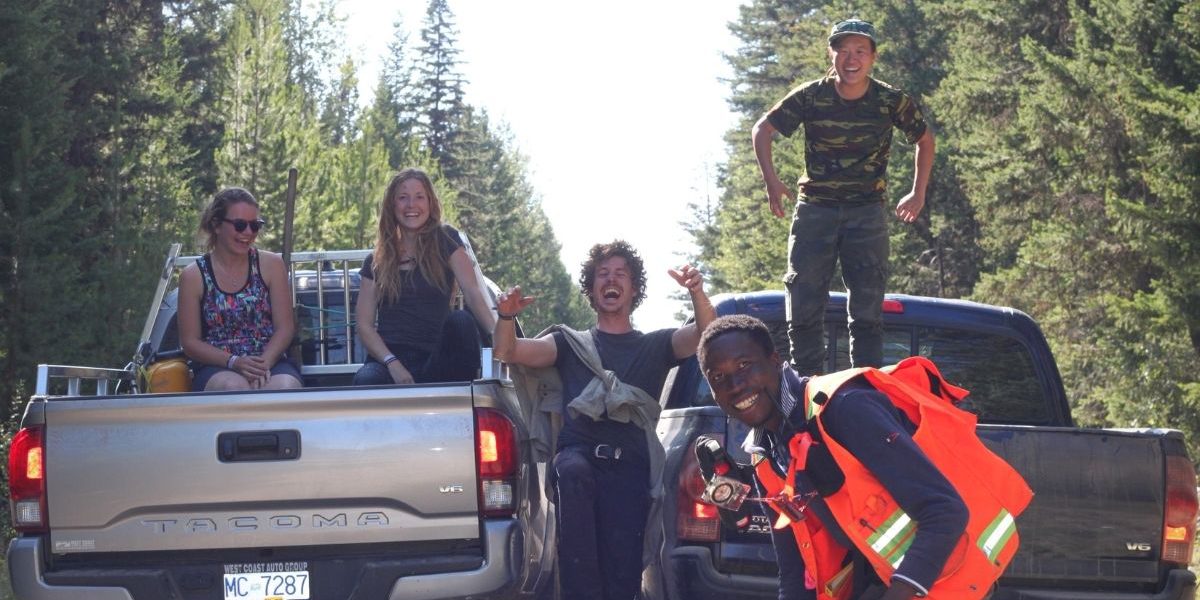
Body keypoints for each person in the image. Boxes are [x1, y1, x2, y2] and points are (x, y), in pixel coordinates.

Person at [696, 315, 1031, 600]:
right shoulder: (766, 457)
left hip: (946, 579)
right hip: (879, 581)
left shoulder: (844, 408)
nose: (735, 385)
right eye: (718, 378)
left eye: (744, 365)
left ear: (774, 359)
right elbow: (794, 569)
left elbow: (946, 512)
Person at [493, 240, 716, 600]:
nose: (611, 280)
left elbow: (707, 335)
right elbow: (509, 351)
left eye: (620, 274)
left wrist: (697, 293)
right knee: (574, 478)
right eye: (602, 274)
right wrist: (506, 317)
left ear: (634, 288)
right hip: (577, 460)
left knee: (622, 581)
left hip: (630, 472)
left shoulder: (655, 346)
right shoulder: (568, 344)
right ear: (592, 289)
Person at [752, 18, 935, 376]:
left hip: (866, 213)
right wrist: (771, 182)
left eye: (860, 52)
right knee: (804, 303)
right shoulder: (812, 95)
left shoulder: (889, 100)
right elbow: (763, 130)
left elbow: (925, 140)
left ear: (873, 57)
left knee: (867, 311)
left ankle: (864, 388)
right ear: (831, 54)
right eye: (843, 50)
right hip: (815, 209)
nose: (851, 59)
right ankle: (806, 385)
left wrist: (918, 191)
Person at [353, 168, 496, 385]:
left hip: (435, 359)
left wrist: (499, 336)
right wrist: (392, 363)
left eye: (419, 197)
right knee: (365, 380)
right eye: (403, 198)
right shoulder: (374, 261)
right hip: (388, 362)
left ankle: (463, 401)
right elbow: (364, 325)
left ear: (430, 203)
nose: (411, 205)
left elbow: (473, 294)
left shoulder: (447, 240)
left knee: (461, 320)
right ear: (392, 206)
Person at [179, 187, 303, 391]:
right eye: (239, 225)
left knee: (284, 387)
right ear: (216, 225)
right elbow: (190, 342)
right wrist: (233, 361)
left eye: (255, 226)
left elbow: (285, 328)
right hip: (217, 366)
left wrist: (261, 365)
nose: (248, 233)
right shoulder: (194, 276)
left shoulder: (271, 265)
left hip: (269, 360)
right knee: (233, 387)